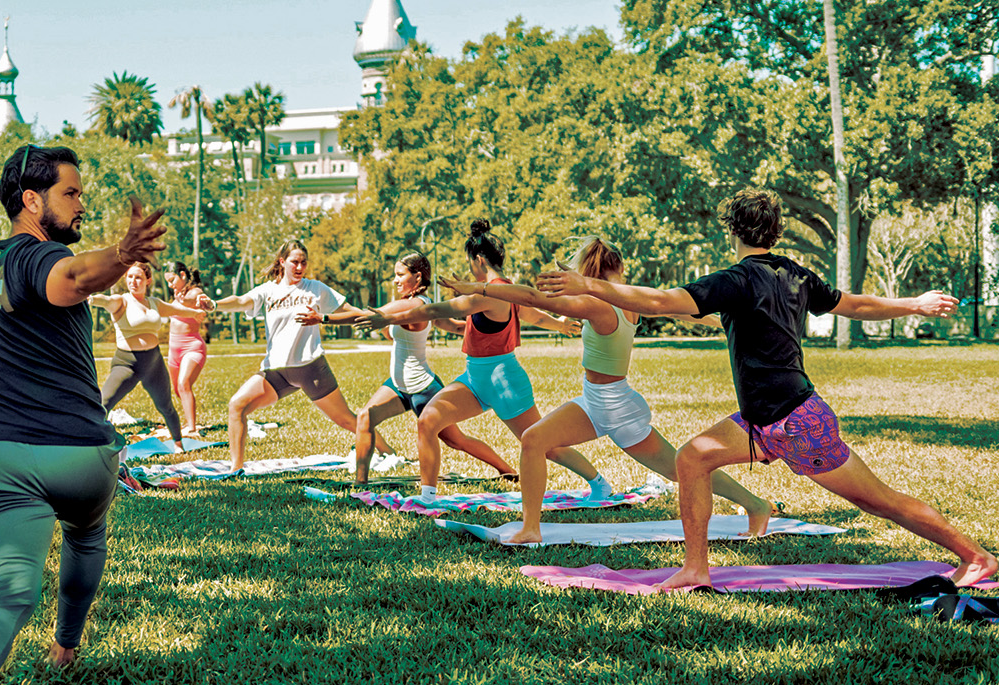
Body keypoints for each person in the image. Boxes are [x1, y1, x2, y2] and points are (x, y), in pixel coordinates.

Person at [535, 189, 997, 588]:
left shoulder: (735, 280)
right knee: (692, 457)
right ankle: (695, 569)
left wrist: (587, 284)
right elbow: (854, 304)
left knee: (879, 502)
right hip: (763, 419)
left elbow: (657, 300)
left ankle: (976, 556)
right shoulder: (794, 274)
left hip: (796, 421)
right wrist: (911, 303)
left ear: (732, 231)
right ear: (774, 232)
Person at [0, 144, 165, 685]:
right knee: (85, 538)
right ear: (31, 200)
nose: (80, 204)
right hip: (78, 454)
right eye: (71, 193)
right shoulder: (41, 255)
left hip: (0, 458)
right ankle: (65, 647)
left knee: (4, 590)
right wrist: (122, 255)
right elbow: (69, 280)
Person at [440, 236, 779, 543]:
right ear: (619, 269)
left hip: (614, 407)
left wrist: (477, 288)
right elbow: (689, 313)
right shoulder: (632, 298)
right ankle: (531, 527)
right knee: (534, 439)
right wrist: (726, 322)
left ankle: (756, 505)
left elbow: (531, 297)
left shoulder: (599, 305)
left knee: (677, 468)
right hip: (598, 401)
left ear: (591, 274)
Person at [358, 220, 609, 504]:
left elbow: (437, 309)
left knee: (546, 446)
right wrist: (559, 326)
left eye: (470, 264)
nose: (469, 270)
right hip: (474, 378)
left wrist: (388, 317)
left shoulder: (491, 293)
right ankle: (427, 497)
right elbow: (534, 316)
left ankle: (599, 483)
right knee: (428, 421)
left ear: (479, 260)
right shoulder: (505, 290)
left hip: (505, 381)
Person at [300, 252, 517, 483]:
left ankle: (507, 470)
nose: (395, 280)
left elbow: (367, 315)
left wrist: (323, 318)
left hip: (422, 387)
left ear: (417, 277)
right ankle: (360, 485)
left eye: (400, 275)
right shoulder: (416, 305)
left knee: (455, 440)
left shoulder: (415, 304)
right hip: (397, 385)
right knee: (365, 417)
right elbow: (452, 326)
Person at [203, 242, 392, 471]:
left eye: (304, 262)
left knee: (345, 419)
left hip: (310, 368)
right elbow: (241, 301)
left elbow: (348, 310)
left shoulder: (315, 288)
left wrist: (381, 319)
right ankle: (236, 468)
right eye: (295, 261)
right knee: (237, 405)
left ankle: (389, 452)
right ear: (282, 262)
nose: (300, 266)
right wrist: (214, 304)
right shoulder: (268, 291)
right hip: (276, 372)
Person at [89, 262, 205, 449]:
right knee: (103, 404)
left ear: (148, 280)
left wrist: (196, 313)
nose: (133, 281)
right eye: (130, 277)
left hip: (153, 363)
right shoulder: (121, 301)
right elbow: (106, 301)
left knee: (166, 407)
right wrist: (93, 299)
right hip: (126, 364)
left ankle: (178, 444)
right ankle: (89, 443)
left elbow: (176, 310)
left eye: (138, 277)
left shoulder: (154, 304)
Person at [164, 261, 209, 437]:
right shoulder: (177, 294)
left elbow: (194, 299)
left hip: (192, 347)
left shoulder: (194, 292)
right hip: (173, 350)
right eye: (168, 281)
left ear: (183, 275)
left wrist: (184, 299)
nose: (170, 285)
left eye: (172, 280)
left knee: (184, 384)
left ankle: (192, 428)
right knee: (177, 389)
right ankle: (188, 422)